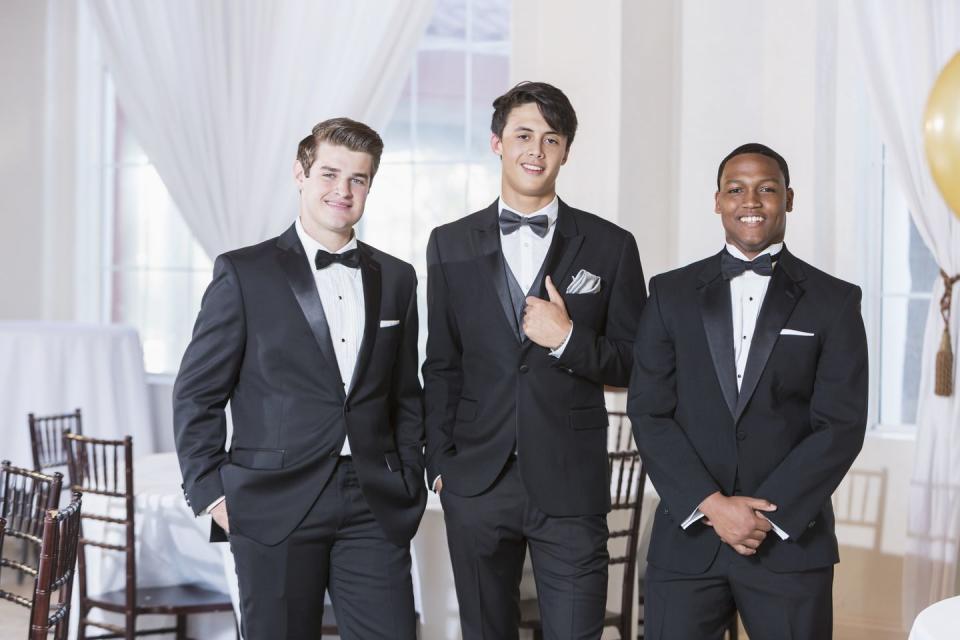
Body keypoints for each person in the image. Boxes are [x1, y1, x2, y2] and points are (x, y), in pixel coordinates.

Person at [173, 117, 425, 639]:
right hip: (271, 501)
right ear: (300, 173)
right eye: (330, 174)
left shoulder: (398, 278)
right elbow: (197, 392)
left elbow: (405, 394)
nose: (342, 190)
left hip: (373, 503)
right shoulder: (243, 273)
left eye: (358, 179)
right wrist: (211, 492)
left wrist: (408, 477)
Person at [422, 81, 647, 639]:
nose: (536, 151)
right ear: (497, 143)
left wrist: (568, 339)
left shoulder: (611, 245)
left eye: (551, 139)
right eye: (523, 135)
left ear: (566, 151)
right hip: (475, 480)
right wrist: (440, 464)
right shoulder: (448, 243)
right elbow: (441, 363)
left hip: (571, 483)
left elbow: (637, 363)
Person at [628, 143, 868, 639]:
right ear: (717, 201)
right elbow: (649, 412)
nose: (751, 201)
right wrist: (713, 505)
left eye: (766, 189)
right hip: (688, 540)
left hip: (789, 543)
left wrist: (761, 517)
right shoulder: (669, 293)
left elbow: (840, 425)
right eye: (736, 190)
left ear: (789, 199)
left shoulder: (835, 301)